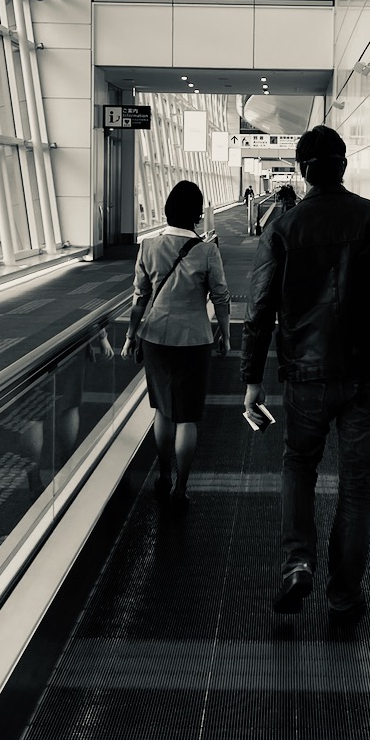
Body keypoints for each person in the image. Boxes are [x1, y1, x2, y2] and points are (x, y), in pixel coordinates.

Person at [241, 125, 370, 624]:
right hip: (366, 374)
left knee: (299, 467)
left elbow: (261, 305)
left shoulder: (285, 228)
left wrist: (251, 379)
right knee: (356, 486)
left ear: (305, 172)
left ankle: (297, 564)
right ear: (344, 165)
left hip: (306, 373)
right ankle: (344, 597)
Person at [122, 180, 231, 514]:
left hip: (155, 338)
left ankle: (164, 474)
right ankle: (181, 488)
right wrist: (225, 333)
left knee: (163, 410)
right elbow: (221, 296)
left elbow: (139, 298)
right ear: (198, 214)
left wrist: (130, 335)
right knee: (188, 417)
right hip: (194, 339)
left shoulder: (148, 247)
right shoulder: (208, 250)